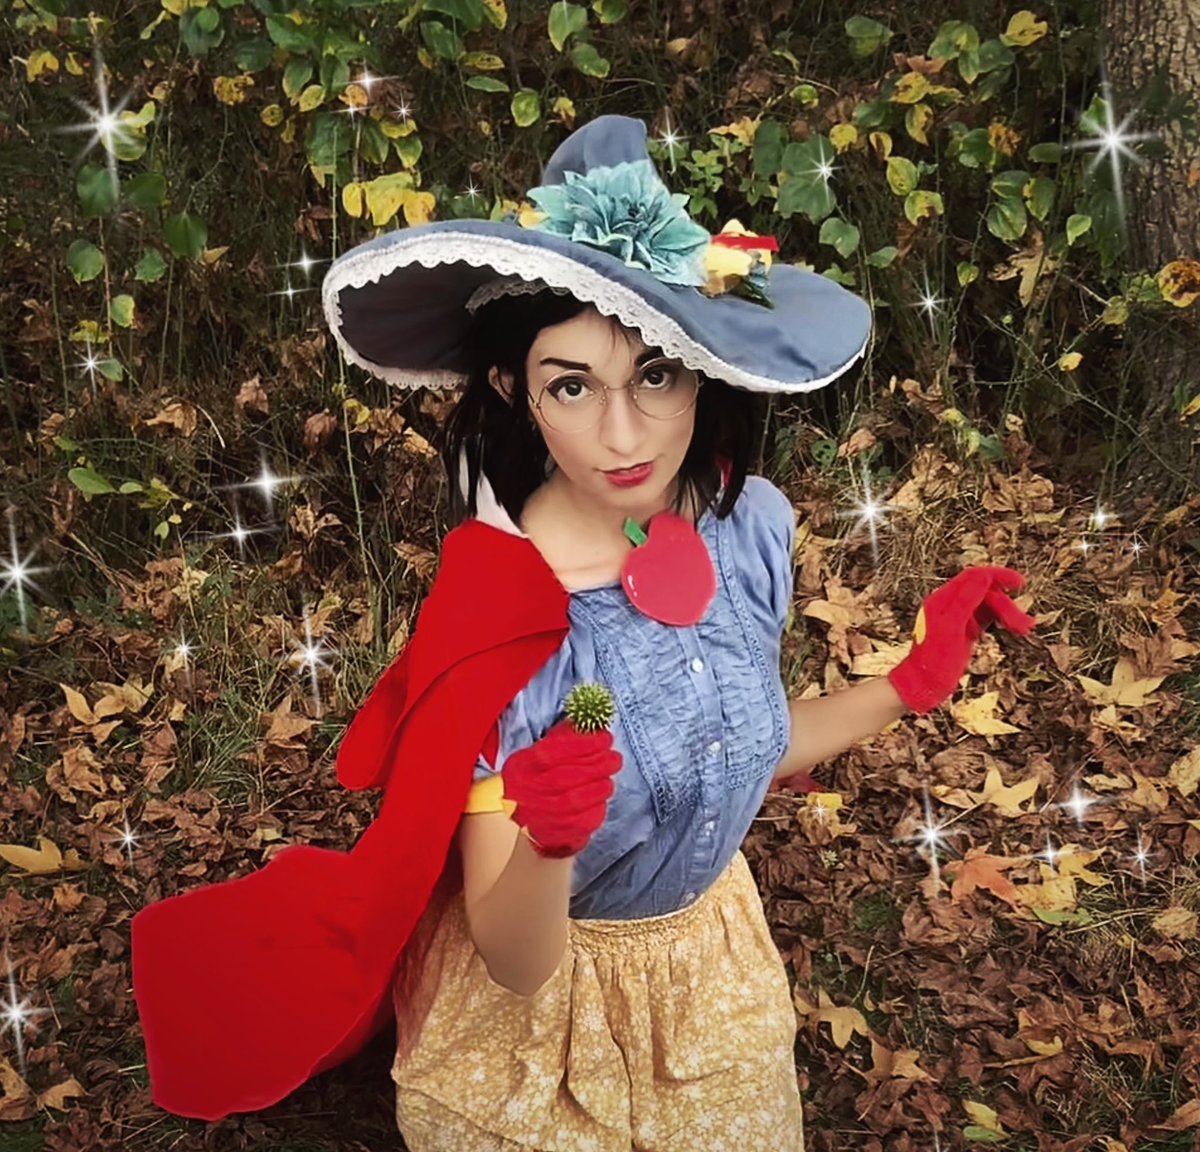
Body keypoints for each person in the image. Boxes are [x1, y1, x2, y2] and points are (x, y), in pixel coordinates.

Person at [130, 115, 1034, 1149]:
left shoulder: (747, 530)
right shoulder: (501, 618)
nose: (623, 433)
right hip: (539, 1021)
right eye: (572, 385)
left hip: (710, 978)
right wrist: (546, 840)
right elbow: (515, 958)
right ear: (515, 391)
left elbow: (734, 743)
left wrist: (904, 688)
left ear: (702, 370)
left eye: (656, 375)